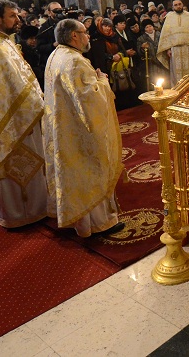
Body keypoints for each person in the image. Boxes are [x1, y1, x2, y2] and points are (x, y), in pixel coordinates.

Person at [43, 19, 125, 237]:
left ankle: (78, 220)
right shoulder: (75, 62)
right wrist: (103, 81)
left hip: (64, 129)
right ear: (74, 36)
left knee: (73, 174)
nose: (89, 36)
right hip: (80, 131)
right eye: (85, 32)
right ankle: (99, 223)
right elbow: (89, 101)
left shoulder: (56, 56)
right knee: (91, 170)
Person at [0, 0, 48, 229]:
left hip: (18, 113)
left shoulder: (0, 40)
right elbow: (11, 86)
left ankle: (23, 208)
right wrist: (41, 105)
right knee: (21, 166)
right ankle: (22, 212)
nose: (18, 20)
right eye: (13, 16)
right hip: (15, 117)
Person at [157, 0, 189, 85]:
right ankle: (177, 94)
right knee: (176, 74)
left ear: (182, 4)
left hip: (188, 49)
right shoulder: (169, 17)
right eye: (176, 5)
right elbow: (166, 35)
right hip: (175, 50)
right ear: (173, 7)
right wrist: (168, 49)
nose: (178, 6)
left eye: (179, 4)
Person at [137, 18, 168, 89]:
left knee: (165, 80)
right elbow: (139, 52)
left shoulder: (160, 35)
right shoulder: (141, 39)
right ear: (144, 29)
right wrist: (142, 47)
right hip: (151, 63)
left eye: (150, 26)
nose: (149, 28)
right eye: (147, 27)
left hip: (162, 61)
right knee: (154, 81)